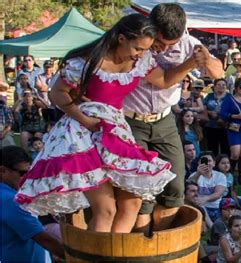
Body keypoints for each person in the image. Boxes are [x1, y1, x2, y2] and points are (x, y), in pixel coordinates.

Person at [15, 14, 197, 233]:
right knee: (106, 209)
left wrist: (192, 62)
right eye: (138, 48)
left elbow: (166, 80)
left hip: (115, 132)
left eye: (144, 49)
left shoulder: (141, 61)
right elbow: (57, 94)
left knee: (132, 204)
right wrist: (85, 119)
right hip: (82, 135)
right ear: (121, 39)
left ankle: (113, 256)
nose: (141, 54)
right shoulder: (86, 62)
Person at [123, 3, 223, 232]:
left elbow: (218, 74)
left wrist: (206, 59)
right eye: (160, 42)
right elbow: (164, 80)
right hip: (131, 120)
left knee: (175, 186)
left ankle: (160, 242)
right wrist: (190, 63)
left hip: (165, 120)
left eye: (171, 44)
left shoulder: (190, 45)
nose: (162, 48)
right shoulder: (137, 44)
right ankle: (140, 245)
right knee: (141, 188)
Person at [1, 146, 65, 262]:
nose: (27, 178)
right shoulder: (10, 200)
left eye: (30, 172)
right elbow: (43, 239)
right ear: (3, 171)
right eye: (22, 173)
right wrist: (76, 257)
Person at [220, 78, 241, 183]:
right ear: (235, 88)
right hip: (234, 129)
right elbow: (223, 114)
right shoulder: (229, 99)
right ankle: (229, 173)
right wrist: (235, 116)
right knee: (235, 153)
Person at [187, 151, 227, 222]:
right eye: (204, 161)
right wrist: (198, 173)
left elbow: (218, 194)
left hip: (216, 207)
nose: (207, 163)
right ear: (199, 163)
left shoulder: (220, 176)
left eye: (209, 161)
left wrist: (205, 199)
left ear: (214, 163)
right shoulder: (194, 176)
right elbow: (188, 187)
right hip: (200, 207)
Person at [203, 78, 231, 156]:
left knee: (225, 149)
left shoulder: (230, 97)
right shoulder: (209, 96)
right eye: (218, 84)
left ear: (226, 86)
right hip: (211, 126)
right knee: (212, 148)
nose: (221, 86)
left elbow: (233, 110)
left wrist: (222, 115)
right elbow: (203, 107)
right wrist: (209, 112)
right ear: (214, 86)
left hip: (225, 126)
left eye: (223, 85)